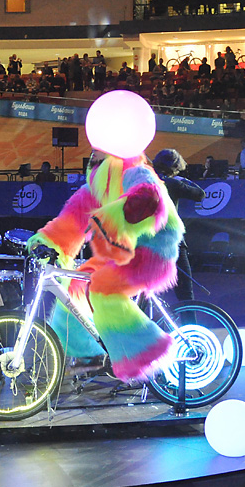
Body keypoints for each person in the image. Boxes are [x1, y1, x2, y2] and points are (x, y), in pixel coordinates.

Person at [27, 146, 184, 382]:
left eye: (98, 148)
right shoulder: (96, 184)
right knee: (75, 286)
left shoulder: (135, 171)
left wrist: (113, 217)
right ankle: (90, 352)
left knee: (103, 287)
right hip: (119, 250)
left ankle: (145, 352)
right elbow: (71, 220)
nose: (93, 152)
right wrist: (47, 242)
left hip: (151, 247)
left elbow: (149, 199)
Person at [152, 149, 205, 302]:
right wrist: (183, 180)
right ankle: (190, 325)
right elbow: (200, 194)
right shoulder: (173, 183)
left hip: (147, 242)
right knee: (185, 292)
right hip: (171, 243)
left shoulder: (145, 182)